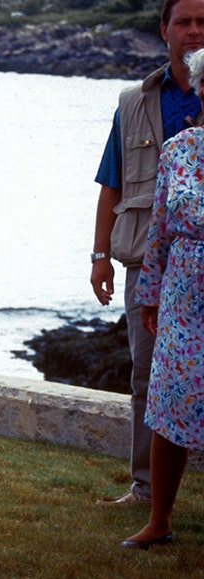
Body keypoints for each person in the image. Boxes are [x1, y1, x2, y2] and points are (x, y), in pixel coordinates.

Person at [91, 0, 204, 507]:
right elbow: (110, 181)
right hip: (151, 264)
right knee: (148, 378)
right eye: (184, 22)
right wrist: (99, 257)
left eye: (203, 23)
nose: (195, 32)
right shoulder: (134, 102)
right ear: (164, 31)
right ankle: (146, 489)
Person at [121, 47, 204, 549]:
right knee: (170, 403)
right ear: (200, 89)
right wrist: (148, 295)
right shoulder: (180, 150)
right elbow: (160, 231)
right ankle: (160, 519)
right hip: (184, 294)